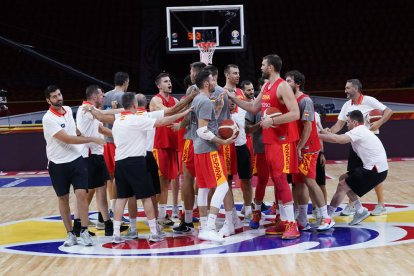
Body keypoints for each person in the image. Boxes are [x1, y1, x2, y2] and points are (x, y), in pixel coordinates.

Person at [227, 54, 301, 239]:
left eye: (262, 64)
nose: (260, 67)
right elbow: (253, 107)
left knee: (281, 181)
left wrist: (273, 120)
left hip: (282, 140)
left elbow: (295, 113)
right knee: (276, 181)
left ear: (270, 67)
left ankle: (292, 225)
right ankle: (283, 221)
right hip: (269, 141)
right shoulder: (267, 86)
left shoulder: (283, 86)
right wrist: (233, 97)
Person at [111, 92, 191, 243]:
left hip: (120, 163)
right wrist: (184, 113)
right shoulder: (137, 119)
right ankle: (154, 232)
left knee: (122, 199)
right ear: (135, 105)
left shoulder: (117, 121)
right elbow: (162, 122)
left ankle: (116, 234)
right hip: (136, 162)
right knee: (147, 197)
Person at [42, 85, 105, 247]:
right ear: (48, 100)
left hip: (76, 160)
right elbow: (67, 139)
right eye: (54, 96)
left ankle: (84, 231)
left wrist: (82, 135)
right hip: (58, 164)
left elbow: (74, 130)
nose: (59, 98)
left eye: (59, 94)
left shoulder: (69, 110)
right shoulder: (48, 118)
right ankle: (70, 234)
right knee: (63, 198)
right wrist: (91, 139)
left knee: (82, 195)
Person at [327, 79, 393, 216]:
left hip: (369, 143)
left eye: (347, 88)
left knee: (374, 171)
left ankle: (381, 204)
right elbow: (338, 125)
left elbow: (388, 111)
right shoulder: (346, 105)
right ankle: (352, 205)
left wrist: (379, 123)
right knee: (352, 174)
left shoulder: (369, 100)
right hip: (355, 142)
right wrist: (328, 132)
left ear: (356, 89)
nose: (345, 91)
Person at [319, 110, 389, 225]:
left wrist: (316, 135)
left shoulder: (358, 130)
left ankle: (328, 217)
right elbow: (337, 136)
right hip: (376, 168)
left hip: (375, 170)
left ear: (355, 122)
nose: (347, 125)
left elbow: (338, 139)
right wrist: (321, 132)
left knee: (343, 185)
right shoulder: (361, 130)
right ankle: (360, 210)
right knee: (343, 179)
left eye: (348, 122)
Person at [285, 70, 334, 231]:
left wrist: (299, 147)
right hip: (297, 146)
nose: (286, 83)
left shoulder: (305, 100)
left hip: (308, 147)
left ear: (297, 84)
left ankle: (326, 217)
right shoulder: (290, 100)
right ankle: (302, 219)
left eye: (289, 81)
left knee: (309, 181)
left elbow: (307, 127)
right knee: (298, 182)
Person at [191, 69, 236, 242]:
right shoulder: (204, 101)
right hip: (208, 149)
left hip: (199, 149)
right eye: (212, 80)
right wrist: (222, 141)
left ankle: (204, 227)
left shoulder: (198, 99)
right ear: (206, 83)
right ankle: (210, 227)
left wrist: (216, 111)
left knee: (203, 188)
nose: (214, 83)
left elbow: (205, 124)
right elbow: (203, 130)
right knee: (223, 185)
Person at [76, 85, 123, 236]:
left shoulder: (91, 110)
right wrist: (124, 111)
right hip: (89, 156)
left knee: (100, 189)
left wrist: (119, 137)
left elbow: (101, 129)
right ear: (95, 97)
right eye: (102, 95)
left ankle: (107, 223)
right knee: (85, 192)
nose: (104, 98)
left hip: (96, 155)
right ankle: (79, 226)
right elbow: (103, 115)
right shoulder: (87, 109)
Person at [172, 62, 206, 234]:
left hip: (193, 139)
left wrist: (180, 125)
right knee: (210, 180)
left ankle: (187, 220)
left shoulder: (192, 89)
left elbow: (188, 113)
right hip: (210, 140)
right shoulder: (218, 89)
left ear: (195, 74)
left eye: (191, 71)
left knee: (188, 178)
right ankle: (210, 220)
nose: (190, 74)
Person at [149, 73, 179, 226]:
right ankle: (157, 216)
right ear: (159, 86)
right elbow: (170, 112)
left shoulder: (174, 100)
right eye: (166, 81)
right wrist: (186, 104)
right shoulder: (155, 100)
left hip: (172, 146)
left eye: (170, 81)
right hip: (159, 145)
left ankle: (162, 214)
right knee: (160, 182)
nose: (169, 83)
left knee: (167, 182)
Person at [103, 72, 130, 222]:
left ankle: (108, 211)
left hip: (106, 141)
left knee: (109, 178)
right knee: (119, 178)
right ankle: (114, 209)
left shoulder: (105, 96)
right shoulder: (125, 97)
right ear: (126, 82)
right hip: (118, 142)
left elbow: (100, 117)